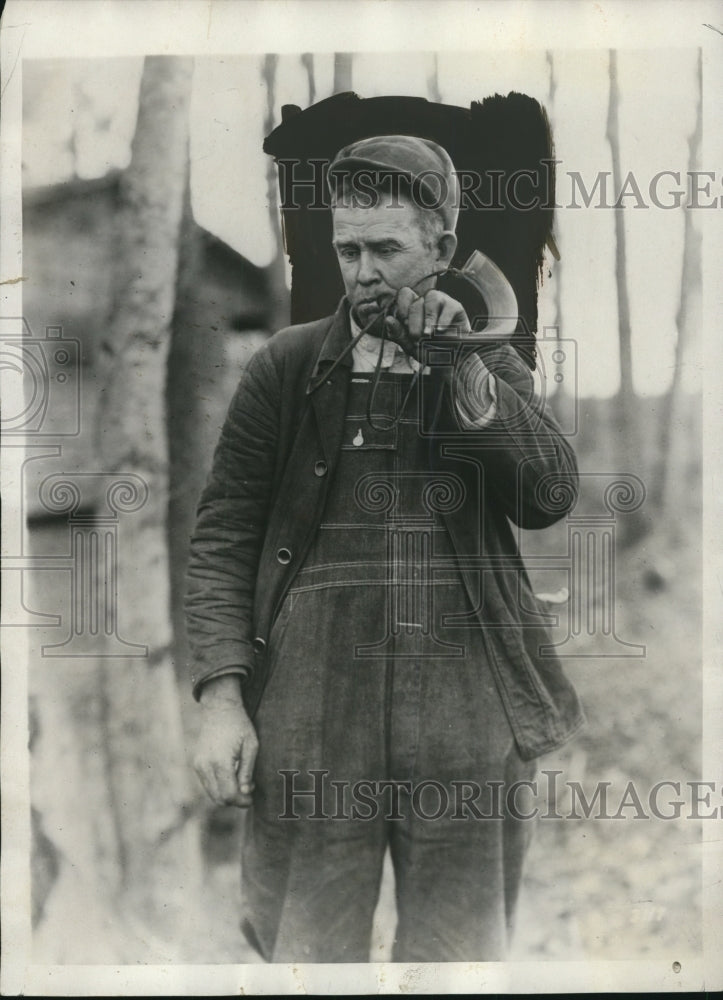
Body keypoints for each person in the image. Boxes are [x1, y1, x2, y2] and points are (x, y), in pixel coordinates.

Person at [185, 135, 584, 963]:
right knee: (304, 951)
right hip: (310, 713)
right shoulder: (284, 368)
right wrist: (223, 699)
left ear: (440, 249)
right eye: (346, 249)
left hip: (465, 717)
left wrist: (460, 372)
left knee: (457, 957)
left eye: (386, 249)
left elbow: (547, 495)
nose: (362, 272)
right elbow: (224, 534)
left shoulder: (487, 361)